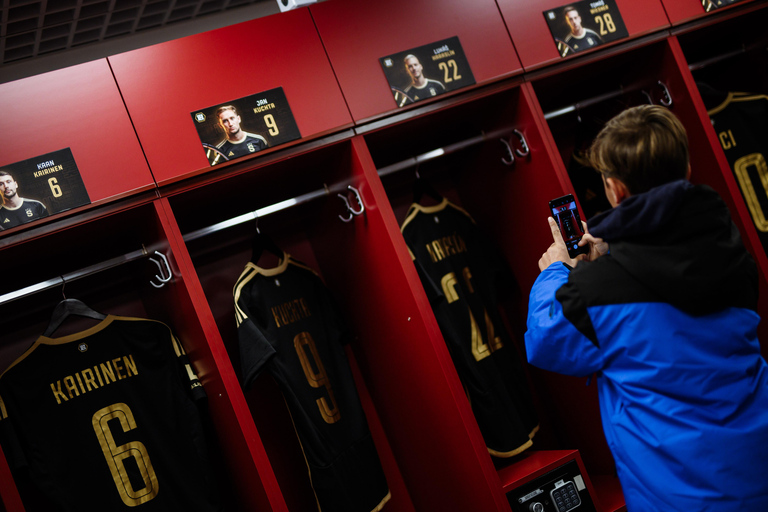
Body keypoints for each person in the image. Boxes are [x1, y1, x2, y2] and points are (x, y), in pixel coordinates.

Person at [525, 105, 768, 511]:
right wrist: (614, 253)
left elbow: (547, 341)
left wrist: (557, 271)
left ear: (615, 190)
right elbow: (669, 266)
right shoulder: (733, 255)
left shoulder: (598, 293)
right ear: (686, 169)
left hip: (681, 498)